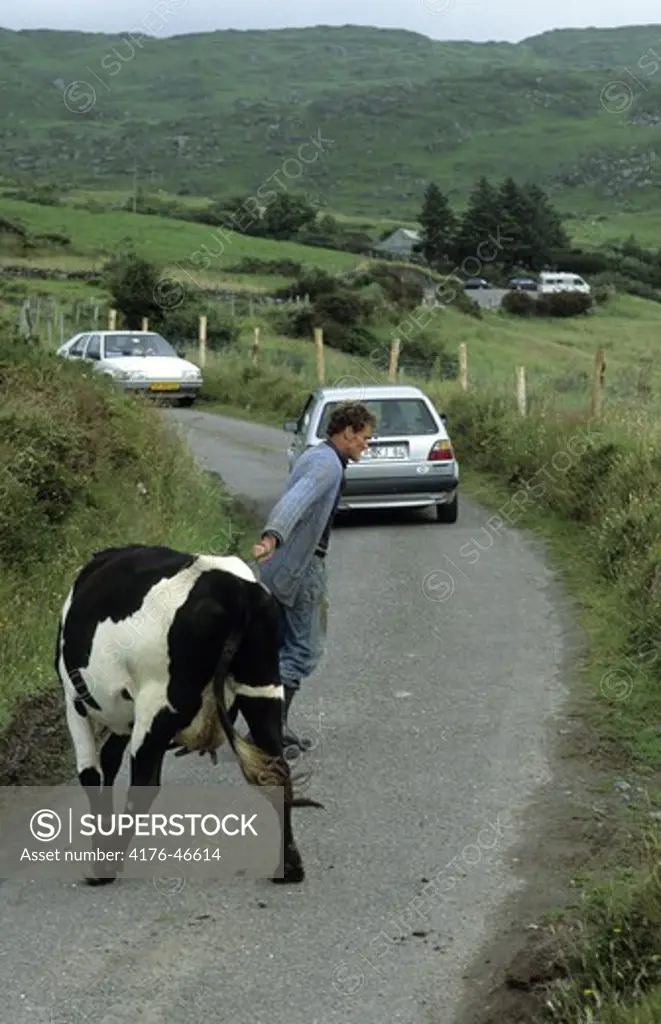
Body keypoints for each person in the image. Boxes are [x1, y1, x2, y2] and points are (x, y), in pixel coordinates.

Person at [250, 401, 377, 750]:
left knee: (281, 646)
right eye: (365, 437)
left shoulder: (317, 455)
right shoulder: (327, 466)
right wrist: (271, 535)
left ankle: (268, 726)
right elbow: (296, 501)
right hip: (301, 566)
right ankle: (267, 733)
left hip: (285, 563)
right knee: (304, 650)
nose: (367, 444)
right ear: (348, 432)